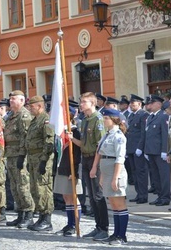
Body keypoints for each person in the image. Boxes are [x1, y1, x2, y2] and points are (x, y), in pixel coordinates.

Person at [72, 91, 108, 241]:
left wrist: (95, 166)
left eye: (84, 102)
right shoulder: (85, 120)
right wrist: (71, 138)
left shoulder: (97, 119)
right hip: (85, 158)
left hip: (95, 159)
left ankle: (104, 228)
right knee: (91, 197)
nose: (81, 104)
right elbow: (83, 144)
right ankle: (97, 226)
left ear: (93, 103)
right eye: (81, 102)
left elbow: (100, 146)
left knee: (98, 195)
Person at [90, 107, 129, 245]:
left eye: (106, 118)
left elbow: (119, 158)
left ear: (114, 120)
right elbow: (100, 153)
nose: (104, 120)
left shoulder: (118, 136)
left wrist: (115, 178)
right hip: (107, 172)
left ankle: (121, 236)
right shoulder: (107, 135)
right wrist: (101, 174)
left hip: (115, 171)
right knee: (113, 204)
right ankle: (115, 233)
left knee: (119, 204)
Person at [4, 90, 34, 228]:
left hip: (20, 156)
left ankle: (29, 214)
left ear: (22, 101)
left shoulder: (24, 116)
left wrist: (22, 156)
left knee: (23, 186)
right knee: (14, 186)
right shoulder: (11, 116)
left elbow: (26, 138)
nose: (11, 101)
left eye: (14, 99)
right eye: (10, 99)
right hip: (10, 155)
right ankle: (20, 214)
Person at [25, 94, 55, 232]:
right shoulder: (34, 120)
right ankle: (41, 216)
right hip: (33, 158)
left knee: (43, 189)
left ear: (40, 106)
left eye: (31, 106)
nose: (29, 109)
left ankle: (47, 219)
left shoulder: (45, 120)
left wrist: (44, 161)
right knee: (35, 189)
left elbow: (49, 142)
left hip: (42, 159)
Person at [55, 106, 82, 237]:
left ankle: (74, 224)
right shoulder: (61, 131)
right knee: (66, 197)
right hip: (62, 166)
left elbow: (77, 153)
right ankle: (69, 223)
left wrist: (75, 170)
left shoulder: (75, 131)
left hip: (71, 167)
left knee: (73, 197)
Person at [140, 94, 170, 206]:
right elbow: (148, 135)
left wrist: (164, 150)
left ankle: (165, 197)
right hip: (151, 151)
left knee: (163, 176)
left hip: (159, 152)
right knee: (155, 176)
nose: (149, 105)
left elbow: (165, 135)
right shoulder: (150, 117)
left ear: (158, 104)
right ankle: (159, 196)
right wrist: (146, 151)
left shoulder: (163, 116)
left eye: (152, 103)